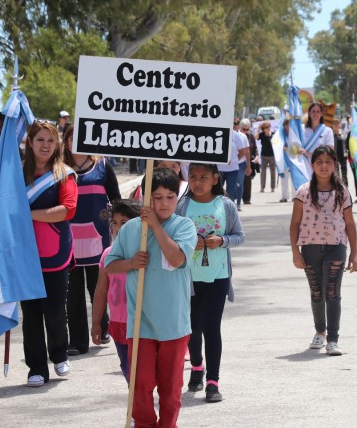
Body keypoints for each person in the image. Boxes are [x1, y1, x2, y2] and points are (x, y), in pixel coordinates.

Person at [104, 167, 196, 427]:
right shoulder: (131, 229)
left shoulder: (185, 226)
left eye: (170, 197)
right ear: (145, 197)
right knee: (140, 384)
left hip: (174, 324)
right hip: (140, 323)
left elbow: (177, 259)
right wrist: (131, 263)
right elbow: (110, 265)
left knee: (170, 388)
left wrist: (155, 225)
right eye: (157, 197)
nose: (164, 203)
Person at [177, 163, 245, 402]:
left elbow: (239, 236)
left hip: (218, 277)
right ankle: (197, 367)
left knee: (211, 328)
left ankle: (213, 382)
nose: (198, 182)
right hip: (188, 278)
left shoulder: (225, 205)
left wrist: (222, 240)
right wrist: (188, 244)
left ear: (215, 179)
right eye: (193, 177)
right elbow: (173, 237)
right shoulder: (182, 205)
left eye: (204, 177)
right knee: (192, 328)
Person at [19, 120, 77, 387]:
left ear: (58, 144)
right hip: (24, 254)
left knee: (54, 310)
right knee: (31, 314)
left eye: (51, 140)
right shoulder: (16, 174)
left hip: (55, 253)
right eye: (40, 140)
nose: (46, 145)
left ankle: (60, 354)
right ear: (30, 142)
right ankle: (36, 368)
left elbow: (67, 210)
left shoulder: (64, 174)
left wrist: (28, 214)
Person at [289, 146, 357, 356]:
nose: (324, 166)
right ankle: (320, 331)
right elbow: (295, 223)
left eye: (329, 162)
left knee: (333, 292)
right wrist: (295, 251)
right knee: (317, 292)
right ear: (312, 165)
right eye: (319, 162)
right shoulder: (303, 192)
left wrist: (354, 253)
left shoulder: (342, 192)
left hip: (336, 247)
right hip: (310, 248)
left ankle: (333, 339)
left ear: (335, 164)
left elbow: (350, 223)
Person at [62, 124, 121, 356]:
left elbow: (116, 199)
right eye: (72, 138)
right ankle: (77, 341)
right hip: (68, 239)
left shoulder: (103, 166)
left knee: (99, 286)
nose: (77, 142)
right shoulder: (59, 169)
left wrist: (118, 224)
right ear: (66, 142)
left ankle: (103, 327)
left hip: (98, 238)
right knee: (73, 293)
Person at [91, 199, 142, 381]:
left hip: (142, 324)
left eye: (125, 223)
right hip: (118, 323)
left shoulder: (143, 255)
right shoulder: (108, 255)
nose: (118, 228)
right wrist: (96, 322)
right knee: (127, 367)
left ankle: (141, 395)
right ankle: (136, 396)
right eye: (114, 222)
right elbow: (100, 291)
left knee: (141, 369)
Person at [217, 120, 249, 210]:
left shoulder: (236, 135)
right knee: (218, 191)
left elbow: (242, 151)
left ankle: (230, 210)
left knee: (230, 191)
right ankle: (218, 209)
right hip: (219, 169)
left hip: (232, 169)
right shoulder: (217, 133)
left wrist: (235, 159)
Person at [257, 121, 277, 193]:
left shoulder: (273, 134)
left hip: (272, 156)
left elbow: (277, 143)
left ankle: (272, 187)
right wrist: (258, 129)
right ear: (263, 129)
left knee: (273, 172)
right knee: (263, 172)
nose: (268, 128)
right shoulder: (261, 135)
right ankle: (262, 187)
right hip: (264, 156)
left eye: (269, 127)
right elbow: (256, 137)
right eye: (266, 127)